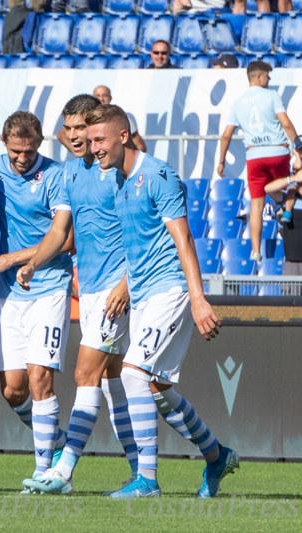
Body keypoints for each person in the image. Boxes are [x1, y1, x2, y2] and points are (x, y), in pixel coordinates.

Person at [84, 104, 239, 499]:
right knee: (158, 389)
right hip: (142, 293)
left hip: (170, 290)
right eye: (90, 141)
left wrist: (198, 299)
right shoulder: (116, 180)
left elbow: (184, 239)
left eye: (100, 140)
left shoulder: (158, 175)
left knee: (133, 374)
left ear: (123, 136)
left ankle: (147, 480)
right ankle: (216, 454)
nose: (94, 148)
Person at [15, 94, 139, 496]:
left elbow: (143, 229)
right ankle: (146, 470)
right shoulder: (70, 172)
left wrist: (126, 282)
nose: (72, 136)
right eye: (67, 129)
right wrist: (33, 262)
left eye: (80, 128)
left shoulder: (121, 169)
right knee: (114, 380)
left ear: (97, 127)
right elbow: (58, 232)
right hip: (89, 288)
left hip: (117, 289)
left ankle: (62, 471)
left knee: (86, 372)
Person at [0, 111, 72, 493]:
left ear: (40, 144)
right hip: (10, 291)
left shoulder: (56, 176)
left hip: (50, 286)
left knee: (38, 378)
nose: (22, 158)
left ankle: (46, 472)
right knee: (13, 390)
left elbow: (65, 239)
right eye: (16, 151)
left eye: (29, 151)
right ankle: (57, 441)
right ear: (4, 144)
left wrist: (16, 259)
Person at [219, 61, 302, 264]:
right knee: (288, 186)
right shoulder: (271, 96)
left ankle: (256, 251)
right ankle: (286, 212)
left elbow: (226, 135)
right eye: (267, 76)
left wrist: (221, 161)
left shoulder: (238, 102)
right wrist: (298, 145)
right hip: (277, 151)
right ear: (259, 77)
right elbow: (286, 123)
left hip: (254, 155)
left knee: (256, 205)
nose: (269, 79)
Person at [57, 85, 147, 154]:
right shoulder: (84, 116)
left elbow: (140, 144)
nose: (101, 98)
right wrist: (78, 150)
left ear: (110, 98)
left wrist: (129, 163)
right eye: (98, 95)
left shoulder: (119, 117)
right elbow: (61, 134)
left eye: (105, 95)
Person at [265, 167, 302, 288]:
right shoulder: (288, 199)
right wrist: (293, 178)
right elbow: (268, 188)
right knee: (290, 305)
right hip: (292, 264)